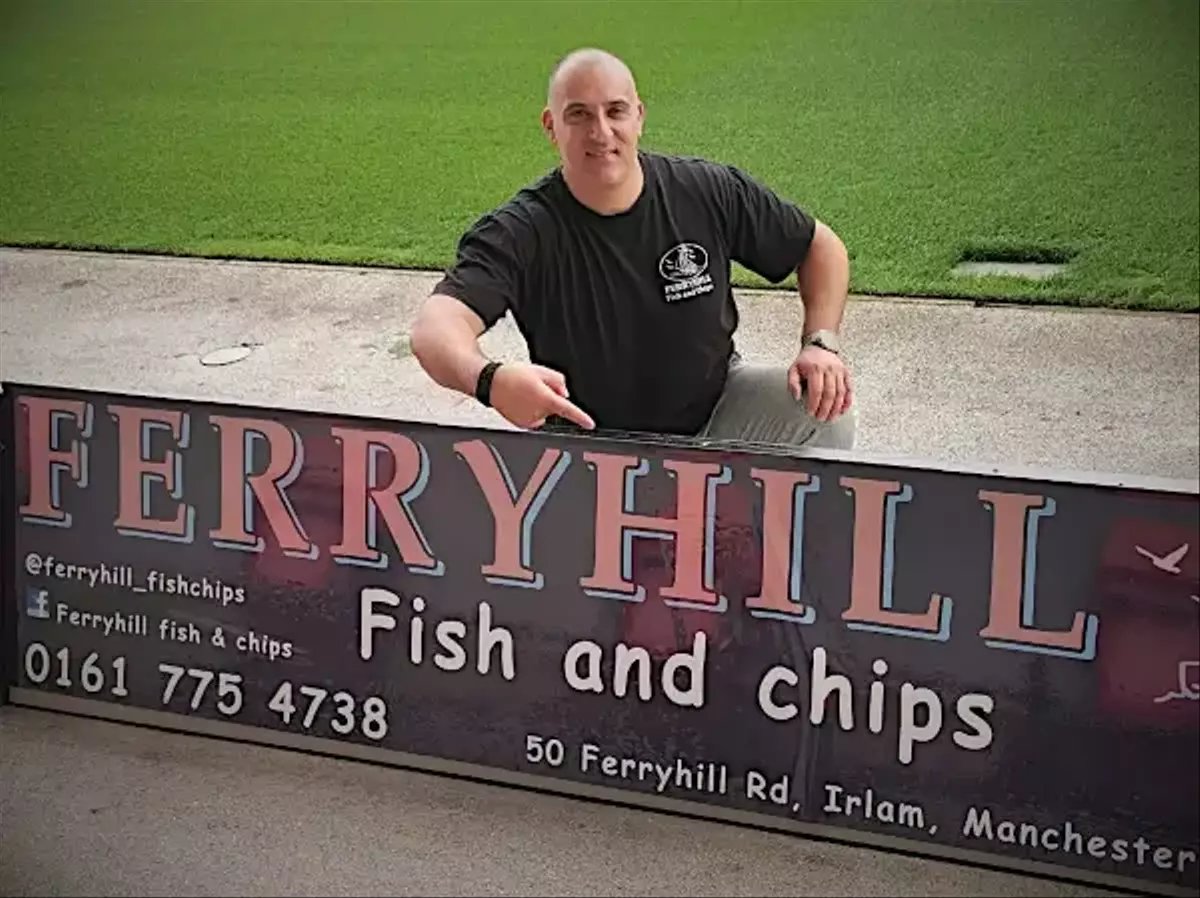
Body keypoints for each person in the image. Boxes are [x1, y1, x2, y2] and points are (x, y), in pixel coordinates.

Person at [409, 47, 857, 451]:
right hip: (591, 439)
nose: (601, 132)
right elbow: (435, 330)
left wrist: (820, 343)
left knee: (824, 409)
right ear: (551, 126)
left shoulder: (706, 191)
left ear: (639, 116)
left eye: (615, 111)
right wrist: (491, 380)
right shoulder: (521, 230)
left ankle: (764, 537)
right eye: (579, 115)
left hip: (716, 409)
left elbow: (820, 246)